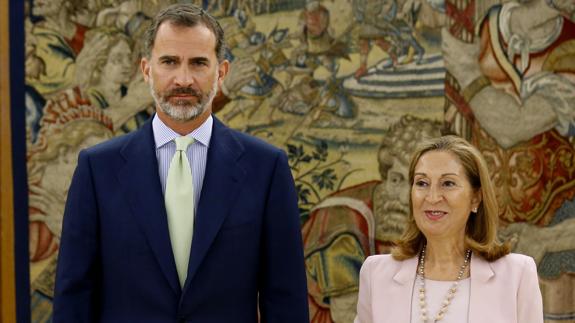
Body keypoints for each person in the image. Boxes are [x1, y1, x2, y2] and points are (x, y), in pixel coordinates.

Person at [53, 4, 309, 322]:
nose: (183, 79)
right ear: (146, 70)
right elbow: (73, 298)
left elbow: (286, 301)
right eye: (170, 62)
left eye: (199, 63)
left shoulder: (267, 169)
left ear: (222, 72)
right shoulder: (97, 170)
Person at [354, 135, 543, 323]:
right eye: (422, 183)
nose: (433, 197)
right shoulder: (376, 274)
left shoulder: (517, 275)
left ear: (475, 198)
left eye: (448, 183)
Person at [303, 115, 441, 323]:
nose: (403, 196)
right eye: (396, 179)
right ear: (385, 174)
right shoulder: (341, 220)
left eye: (419, 184)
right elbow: (348, 315)